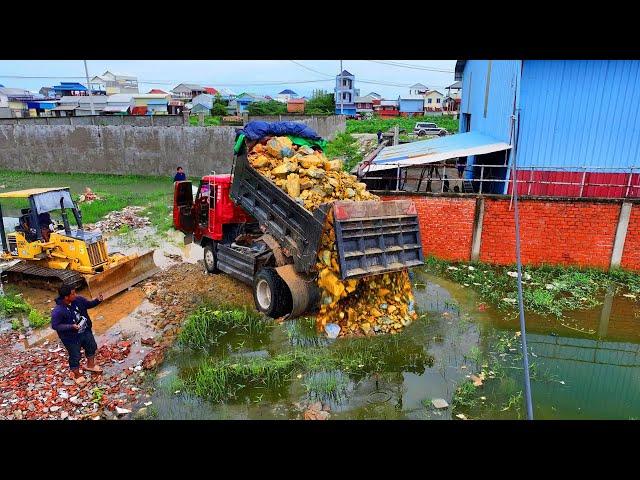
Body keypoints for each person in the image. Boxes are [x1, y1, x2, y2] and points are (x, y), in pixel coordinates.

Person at [51, 285, 104, 384]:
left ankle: (90, 365)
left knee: (91, 346)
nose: (75, 295)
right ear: (66, 297)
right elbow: (55, 326)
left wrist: (98, 300)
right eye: (73, 294)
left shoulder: (78, 300)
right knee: (75, 355)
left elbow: (88, 304)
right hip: (70, 337)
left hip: (85, 330)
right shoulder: (58, 311)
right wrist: (71, 326)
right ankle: (76, 374)